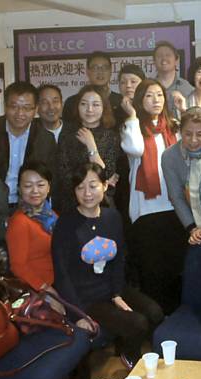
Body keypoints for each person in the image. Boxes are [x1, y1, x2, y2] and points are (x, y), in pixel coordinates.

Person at [52, 163, 164, 369]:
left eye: (93, 185)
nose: (87, 193)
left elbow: (119, 259)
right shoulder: (65, 224)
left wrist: (117, 294)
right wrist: (78, 315)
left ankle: (128, 353)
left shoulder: (112, 217)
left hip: (110, 289)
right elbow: (61, 274)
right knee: (138, 323)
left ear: (105, 186)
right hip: (85, 298)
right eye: (80, 187)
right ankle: (133, 362)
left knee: (155, 312)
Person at [120, 79, 188, 314]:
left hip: (174, 207)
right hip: (146, 209)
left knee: (174, 266)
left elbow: (192, 145)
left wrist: (184, 110)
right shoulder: (132, 127)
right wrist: (131, 116)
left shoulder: (174, 127)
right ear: (140, 100)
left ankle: (175, 318)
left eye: (159, 95)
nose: (156, 100)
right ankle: (155, 320)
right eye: (149, 96)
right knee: (151, 270)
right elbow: (136, 149)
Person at [0, 81, 56, 208]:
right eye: (14, 107)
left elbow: (49, 177)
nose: (20, 113)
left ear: (36, 109)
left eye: (26, 108)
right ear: (5, 107)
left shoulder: (46, 139)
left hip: (29, 205)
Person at [162, 107, 201, 244]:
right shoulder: (169, 156)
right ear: (180, 132)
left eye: (200, 134)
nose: (193, 140)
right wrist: (192, 228)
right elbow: (176, 196)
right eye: (188, 134)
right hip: (193, 223)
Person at [54, 85, 119, 214]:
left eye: (95, 105)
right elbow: (63, 173)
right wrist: (86, 189)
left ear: (104, 107)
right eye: (84, 104)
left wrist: (91, 146)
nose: (89, 109)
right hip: (71, 203)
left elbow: (107, 175)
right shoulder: (67, 134)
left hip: (102, 205)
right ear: (77, 106)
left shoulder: (111, 136)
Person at [7, 161, 64, 307]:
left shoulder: (52, 215)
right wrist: (47, 291)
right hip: (40, 292)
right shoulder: (19, 222)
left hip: (60, 282)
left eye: (40, 185)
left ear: (49, 187)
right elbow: (18, 266)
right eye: (28, 186)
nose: (35, 191)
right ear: (19, 189)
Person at [115, 64, 146, 223]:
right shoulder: (112, 111)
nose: (128, 86)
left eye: (133, 81)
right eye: (123, 82)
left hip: (146, 175)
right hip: (121, 176)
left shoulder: (149, 109)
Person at [63, 51, 123, 123]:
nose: (100, 72)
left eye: (104, 67)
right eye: (95, 68)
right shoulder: (72, 102)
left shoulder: (120, 101)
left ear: (110, 71)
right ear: (88, 71)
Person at [153, 41, 194, 115]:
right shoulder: (147, 87)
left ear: (176, 60)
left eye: (168, 55)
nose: (164, 58)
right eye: (159, 56)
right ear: (154, 62)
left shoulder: (187, 88)